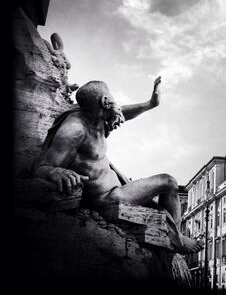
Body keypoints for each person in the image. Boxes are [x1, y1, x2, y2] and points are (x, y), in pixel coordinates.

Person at [34, 76, 203, 254]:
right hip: (107, 198)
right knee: (168, 182)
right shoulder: (74, 129)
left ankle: (173, 234)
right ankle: (178, 240)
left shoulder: (95, 116)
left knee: (166, 188)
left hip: (117, 188)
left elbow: (121, 112)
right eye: (111, 96)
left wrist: (151, 103)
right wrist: (56, 172)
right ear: (105, 101)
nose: (114, 100)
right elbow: (43, 168)